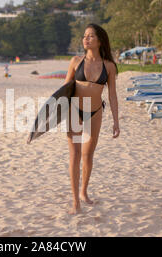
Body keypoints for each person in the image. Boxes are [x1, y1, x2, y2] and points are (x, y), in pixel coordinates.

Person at [63, 23, 120, 214]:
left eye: (90, 36)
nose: (86, 39)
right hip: (74, 111)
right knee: (75, 155)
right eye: (84, 36)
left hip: (95, 112)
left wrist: (116, 121)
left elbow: (112, 95)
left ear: (100, 40)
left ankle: (83, 192)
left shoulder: (109, 66)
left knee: (88, 155)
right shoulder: (75, 61)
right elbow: (64, 90)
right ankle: (74, 201)